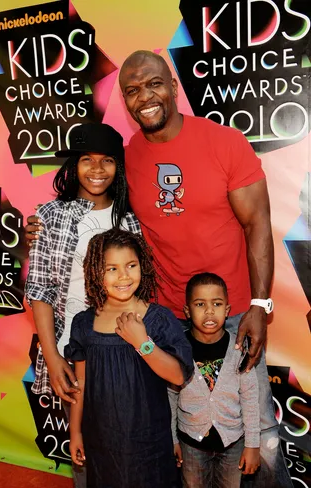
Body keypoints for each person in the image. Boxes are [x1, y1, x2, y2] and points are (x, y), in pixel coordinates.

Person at [25, 51, 293, 486]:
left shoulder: (224, 141)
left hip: (234, 312)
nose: (143, 97)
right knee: (174, 434)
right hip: (164, 319)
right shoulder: (127, 158)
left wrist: (260, 304)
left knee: (255, 430)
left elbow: (257, 223)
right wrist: (40, 223)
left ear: (172, 83)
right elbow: (93, 204)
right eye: (131, 90)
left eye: (152, 84)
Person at [24, 122, 141, 487]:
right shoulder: (49, 217)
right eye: (87, 160)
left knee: (128, 447)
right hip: (70, 352)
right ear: (73, 165)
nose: (96, 170)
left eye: (107, 160)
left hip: (125, 352)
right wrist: (53, 356)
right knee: (84, 450)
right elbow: (40, 290)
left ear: (118, 167)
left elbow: (139, 294)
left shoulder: (130, 221)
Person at [65, 228, 194, 488]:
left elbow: (179, 375)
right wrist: (75, 431)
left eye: (131, 265)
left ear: (142, 267)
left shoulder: (158, 320)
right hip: (102, 444)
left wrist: (142, 342)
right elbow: (81, 384)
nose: (123, 276)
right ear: (94, 272)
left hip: (149, 445)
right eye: (111, 268)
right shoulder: (84, 323)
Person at [169, 273, 260, 488]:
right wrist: (171, 439)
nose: (209, 311)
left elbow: (250, 398)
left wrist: (253, 445)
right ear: (187, 311)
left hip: (232, 444)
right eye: (200, 304)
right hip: (191, 444)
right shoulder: (178, 350)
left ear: (227, 310)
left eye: (217, 304)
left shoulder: (240, 348)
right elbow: (170, 398)